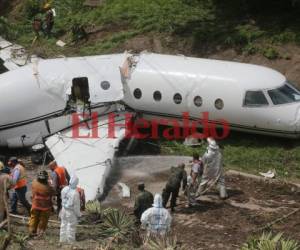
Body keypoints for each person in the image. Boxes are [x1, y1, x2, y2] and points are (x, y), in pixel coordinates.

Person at [29, 170, 55, 237]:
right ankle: (40, 233)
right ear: (46, 178)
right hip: (45, 207)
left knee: (34, 218)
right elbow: (54, 192)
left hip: (35, 204)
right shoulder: (48, 187)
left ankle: (31, 231)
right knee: (43, 220)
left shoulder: (34, 183)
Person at [59, 175, 81, 243]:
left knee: (63, 224)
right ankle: (70, 241)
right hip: (71, 211)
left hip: (64, 209)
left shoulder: (64, 189)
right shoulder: (75, 193)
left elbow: (62, 199)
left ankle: (62, 239)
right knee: (71, 226)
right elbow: (76, 206)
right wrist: (79, 214)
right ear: (76, 183)